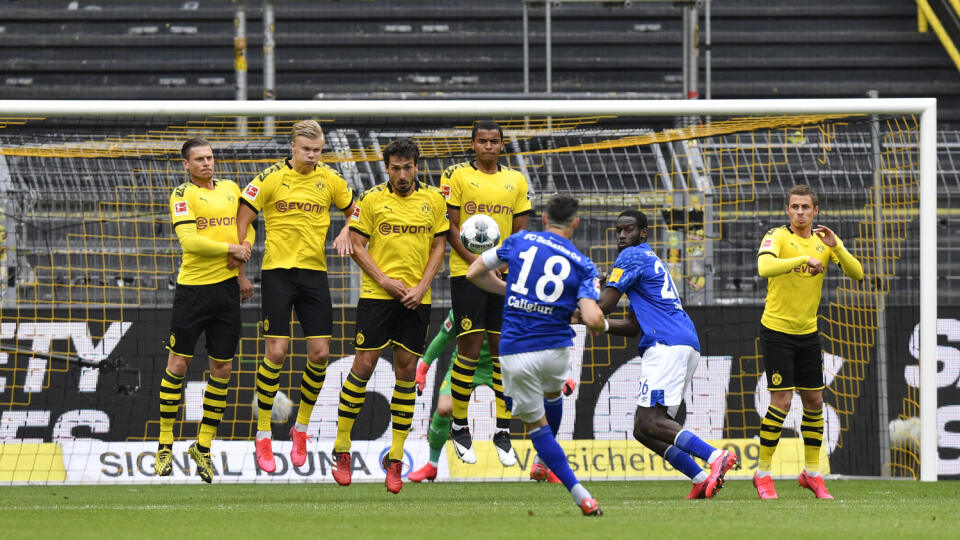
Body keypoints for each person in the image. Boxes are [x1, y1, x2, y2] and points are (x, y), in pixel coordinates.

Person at [467, 193, 605, 517]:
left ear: (543, 219)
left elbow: (474, 272)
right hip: (556, 350)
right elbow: (593, 319)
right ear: (576, 223)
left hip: (516, 351)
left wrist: (512, 289)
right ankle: (544, 464)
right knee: (553, 393)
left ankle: (581, 494)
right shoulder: (584, 264)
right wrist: (597, 322)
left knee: (537, 427)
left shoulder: (519, 241)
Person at [236, 119, 357, 473]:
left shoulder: (330, 179)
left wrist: (349, 229)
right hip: (277, 274)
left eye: (318, 150)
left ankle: (300, 428)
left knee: (320, 354)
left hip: (314, 275)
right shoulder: (271, 177)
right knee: (276, 351)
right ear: (292, 147)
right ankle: (262, 436)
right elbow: (244, 214)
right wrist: (242, 252)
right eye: (307, 150)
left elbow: (358, 210)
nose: (313, 156)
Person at [331, 138, 448, 494]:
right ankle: (341, 448)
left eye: (406, 167)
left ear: (417, 166)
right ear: (387, 169)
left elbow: (438, 245)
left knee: (406, 372)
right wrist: (384, 280)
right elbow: (356, 244)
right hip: (376, 297)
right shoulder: (370, 200)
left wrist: (422, 287)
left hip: (416, 299)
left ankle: (395, 458)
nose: (401, 174)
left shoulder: (433, 200)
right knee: (363, 366)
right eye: (394, 168)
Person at [594, 209, 737, 499]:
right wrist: (602, 324)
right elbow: (633, 326)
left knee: (650, 422)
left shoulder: (631, 257)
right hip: (683, 343)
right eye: (619, 230)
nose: (622, 235)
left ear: (642, 233)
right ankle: (700, 479)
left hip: (667, 345)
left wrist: (580, 303)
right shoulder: (649, 261)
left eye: (629, 230)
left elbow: (602, 307)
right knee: (643, 428)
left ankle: (714, 457)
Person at [154, 137, 254, 483]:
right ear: (186, 164)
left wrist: (244, 247)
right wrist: (231, 247)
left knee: (222, 369)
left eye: (210, 158)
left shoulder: (230, 187)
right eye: (199, 159)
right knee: (178, 364)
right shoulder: (182, 195)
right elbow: (190, 242)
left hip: (226, 293)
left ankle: (203, 446)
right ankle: (165, 443)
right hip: (193, 292)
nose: (206, 163)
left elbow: (249, 226)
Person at [753, 184, 863, 499]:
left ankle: (812, 474)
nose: (800, 212)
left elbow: (857, 273)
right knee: (782, 402)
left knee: (815, 402)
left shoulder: (824, 242)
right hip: (776, 331)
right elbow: (764, 267)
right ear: (788, 211)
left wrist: (837, 246)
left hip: (808, 334)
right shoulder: (777, 237)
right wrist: (802, 259)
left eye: (805, 207)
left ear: (815, 212)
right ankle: (762, 475)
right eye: (794, 207)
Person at [440, 120, 532, 464]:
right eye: (483, 141)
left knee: (503, 353)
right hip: (467, 275)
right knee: (469, 349)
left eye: (494, 141)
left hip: (505, 277)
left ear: (503, 145)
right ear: (473, 144)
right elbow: (450, 227)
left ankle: (502, 431)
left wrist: (504, 264)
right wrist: (481, 264)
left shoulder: (516, 180)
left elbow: (520, 230)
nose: (489, 146)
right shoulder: (456, 175)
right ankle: (460, 425)